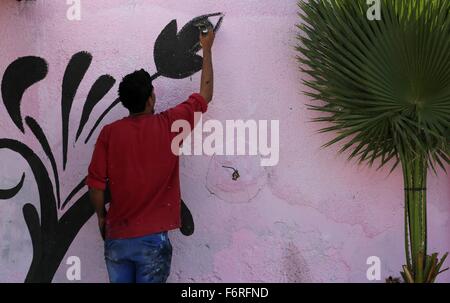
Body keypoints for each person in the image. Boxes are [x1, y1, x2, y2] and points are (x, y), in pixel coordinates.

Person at [86, 30, 215, 283]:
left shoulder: (109, 134)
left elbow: (96, 184)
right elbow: (205, 95)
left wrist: (102, 217)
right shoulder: (170, 125)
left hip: (117, 238)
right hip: (152, 241)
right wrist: (207, 49)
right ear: (151, 98)